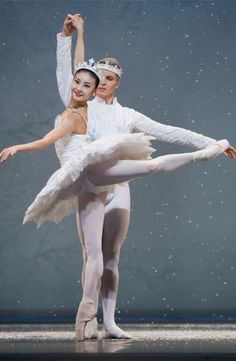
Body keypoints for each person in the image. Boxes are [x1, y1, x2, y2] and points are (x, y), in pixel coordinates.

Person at [56, 13, 236, 340]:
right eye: (99, 78)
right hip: (91, 184)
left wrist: (212, 142)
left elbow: (171, 132)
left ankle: (109, 321)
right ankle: (89, 318)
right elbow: (74, 69)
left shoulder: (128, 115)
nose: (102, 83)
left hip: (119, 188)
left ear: (117, 82)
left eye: (108, 78)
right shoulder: (84, 107)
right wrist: (72, 35)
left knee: (112, 256)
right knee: (90, 254)